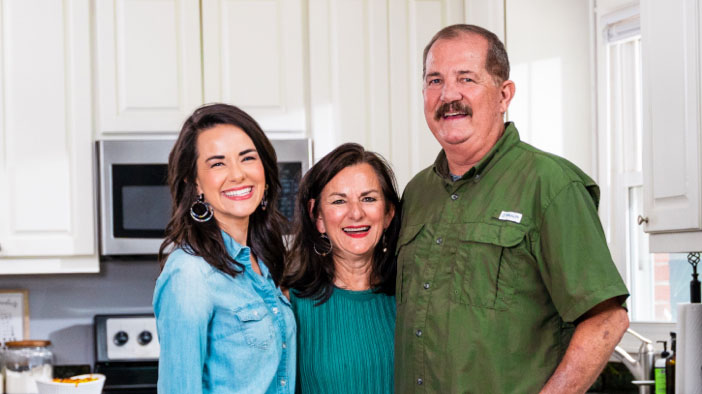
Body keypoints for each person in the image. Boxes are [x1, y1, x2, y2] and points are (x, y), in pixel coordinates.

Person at [395, 24, 630, 393]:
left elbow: (606, 319)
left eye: (466, 78)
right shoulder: (417, 193)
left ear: (504, 95)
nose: (448, 94)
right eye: (434, 80)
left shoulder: (550, 185)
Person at [153, 103, 296, 394]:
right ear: (196, 184)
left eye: (247, 158)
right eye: (218, 163)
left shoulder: (264, 262)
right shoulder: (189, 274)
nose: (238, 174)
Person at [283, 143, 400, 394]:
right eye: (339, 201)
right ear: (319, 217)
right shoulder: (289, 305)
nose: (356, 213)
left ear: (389, 213)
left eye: (368, 198)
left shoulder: (414, 298)